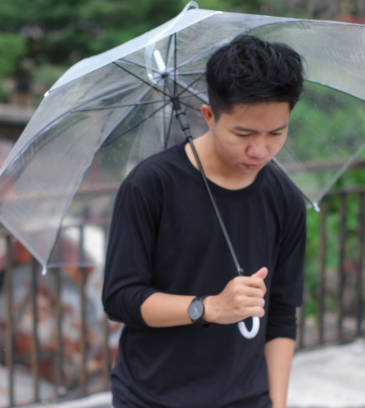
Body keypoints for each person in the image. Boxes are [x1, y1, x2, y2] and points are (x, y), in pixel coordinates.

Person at [102, 35, 306, 408]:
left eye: (276, 133)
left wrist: (277, 403)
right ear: (209, 116)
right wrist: (208, 307)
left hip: (246, 398)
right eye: (243, 134)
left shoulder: (285, 199)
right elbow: (121, 299)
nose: (259, 150)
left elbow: (281, 314)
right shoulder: (150, 186)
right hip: (152, 397)